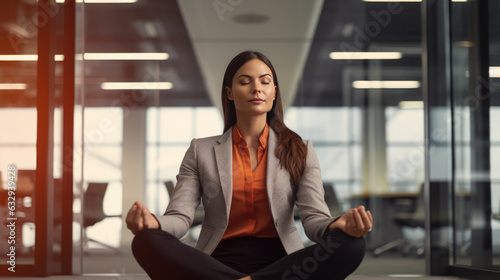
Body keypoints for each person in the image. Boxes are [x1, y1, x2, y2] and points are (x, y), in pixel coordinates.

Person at [126, 50, 373, 280]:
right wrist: (154, 223)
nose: (257, 88)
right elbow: (180, 217)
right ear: (230, 93)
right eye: (245, 81)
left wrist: (336, 224)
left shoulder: (301, 149)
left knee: (352, 244)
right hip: (216, 260)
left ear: (274, 92)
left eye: (265, 82)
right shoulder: (200, 150)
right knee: (145, 240)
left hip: (282, 261)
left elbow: (313, 219)